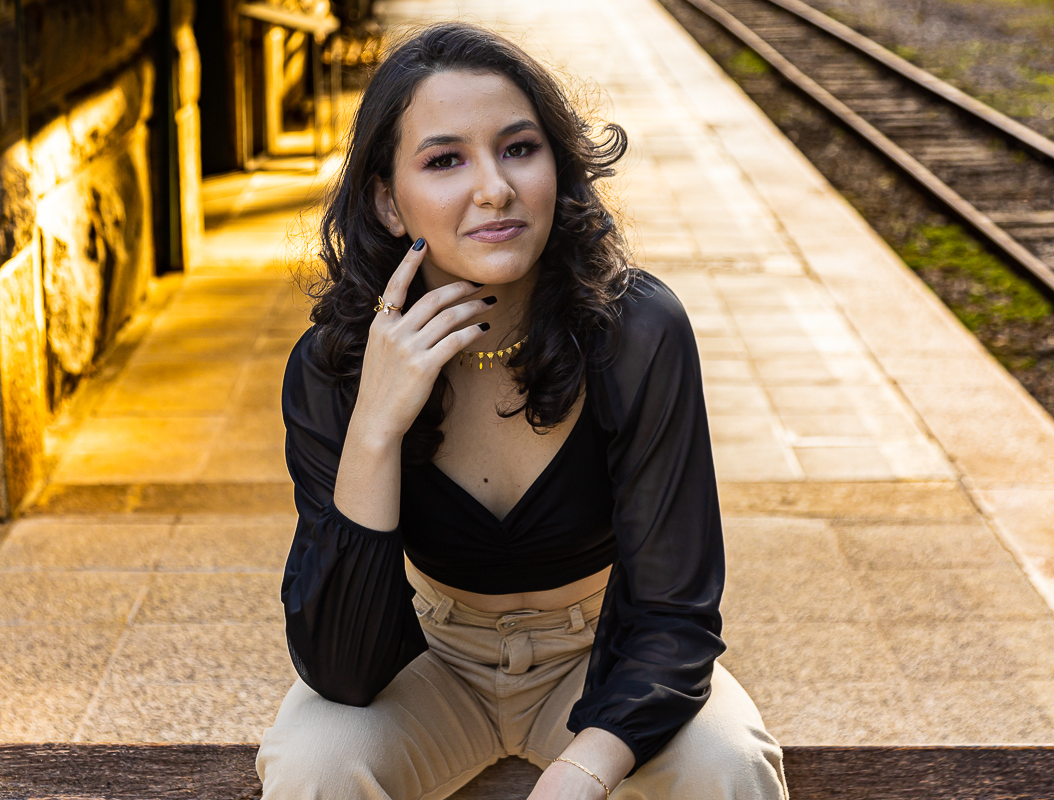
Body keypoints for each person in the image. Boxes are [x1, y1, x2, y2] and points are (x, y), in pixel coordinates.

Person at [255, 21, 789, 800]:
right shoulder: (335, 369)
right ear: (387, 201)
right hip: (430, 662)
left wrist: (582, 769)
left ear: (558, 168)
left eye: (518, 148)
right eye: (445, 160)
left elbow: (676, 617)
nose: (494, 188)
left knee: (727, 766)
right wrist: (375, 426)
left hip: (603, 654)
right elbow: (343, 665)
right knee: (314, 766)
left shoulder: (636, 331)